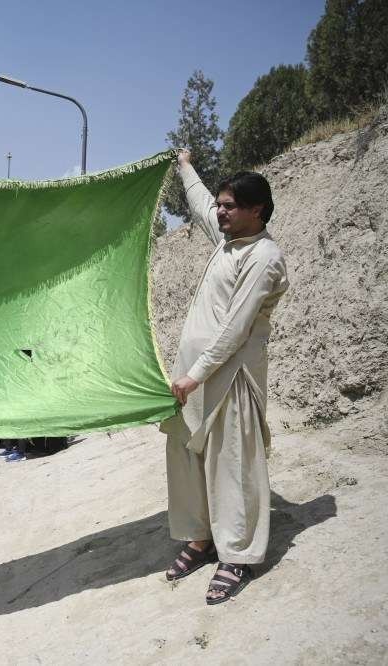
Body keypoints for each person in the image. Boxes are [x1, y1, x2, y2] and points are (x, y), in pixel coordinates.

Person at [161, 150, 289, 605]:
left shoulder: (263, 256)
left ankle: (236, 555)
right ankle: (200, 539)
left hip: (229, 378)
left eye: (230, 205)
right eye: (220, 204)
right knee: (186, 457)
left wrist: (194, 376)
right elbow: (197, 202)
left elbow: (236, 329)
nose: (220, 211)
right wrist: (184, 165)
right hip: (192, 379)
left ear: (257, 209)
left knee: (229, 464)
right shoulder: (226, 239)